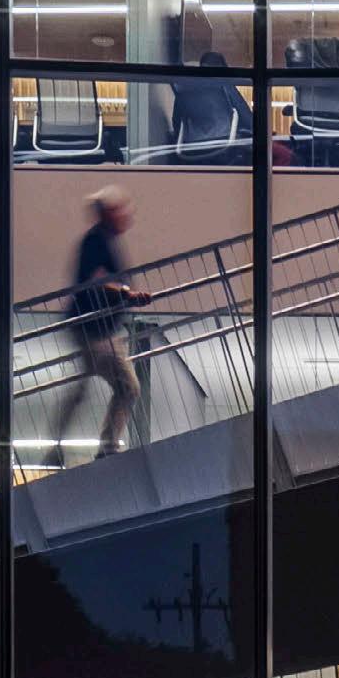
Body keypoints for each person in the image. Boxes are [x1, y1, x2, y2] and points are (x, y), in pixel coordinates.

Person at [43, 187, 143, 468]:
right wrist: (126, 293)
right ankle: (105, 446)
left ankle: (58, 447)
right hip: (95, 329)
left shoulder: (103, 239)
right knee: (127, 386)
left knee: (83, 389)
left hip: (97, 328)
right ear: (107, 214)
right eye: (120, 210)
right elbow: (96, 280)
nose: (126, 215)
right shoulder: (97, 240)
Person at [167, 50, 255, 160]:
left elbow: (177, 120)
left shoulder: (184, 89)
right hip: (224, 144)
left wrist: (178, 138)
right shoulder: (224, 84)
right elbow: (245, 115)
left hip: (192, 147)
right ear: (222, 68)